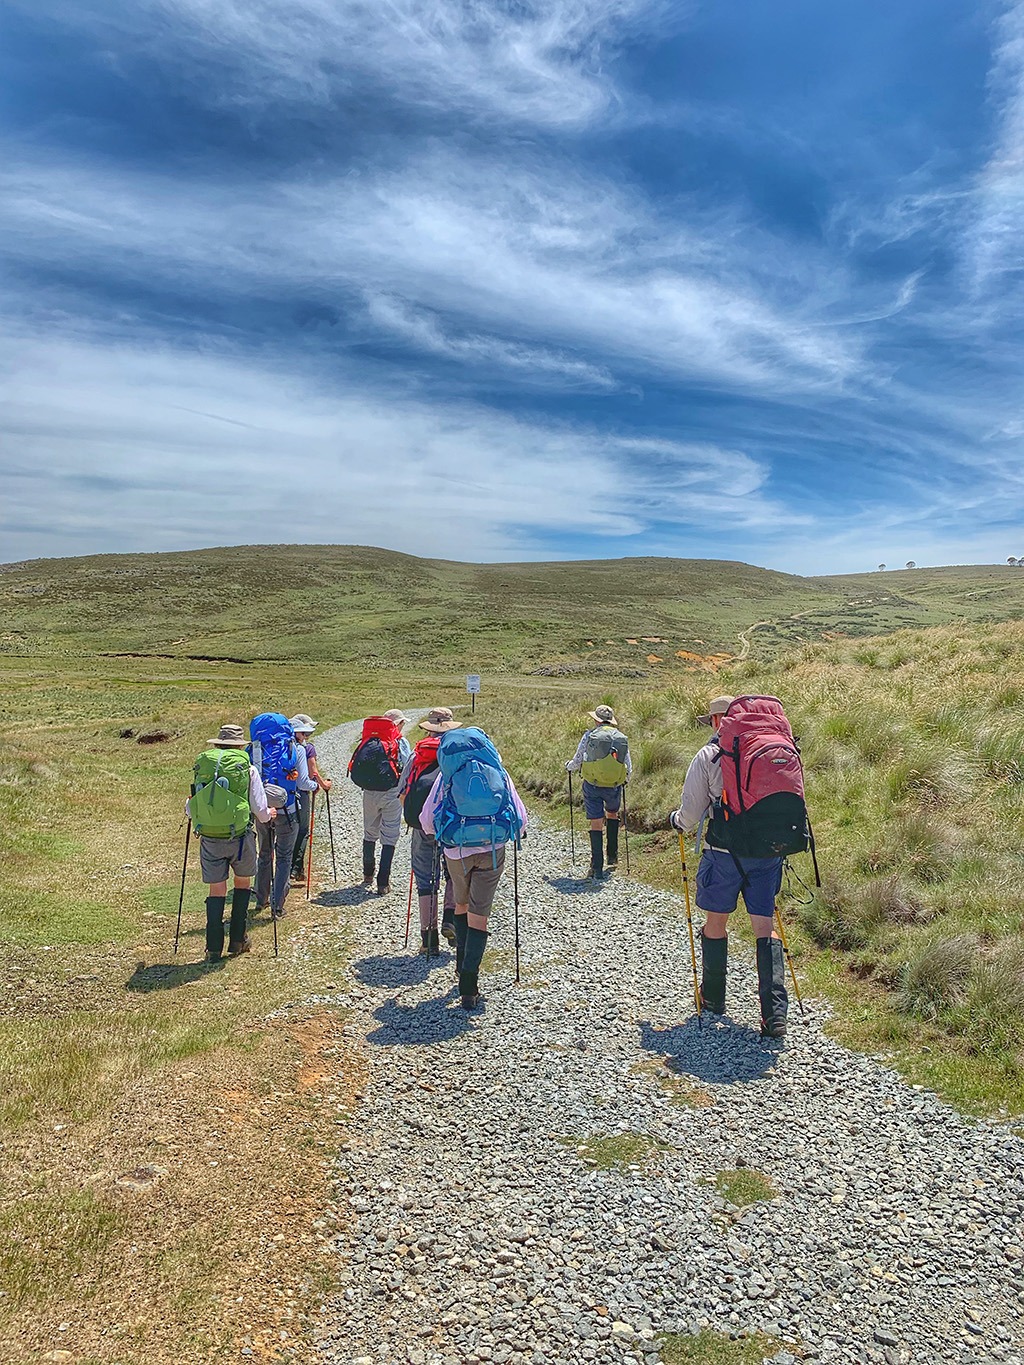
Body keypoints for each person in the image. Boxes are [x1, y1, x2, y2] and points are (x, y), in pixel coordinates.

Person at [669, 695, 788, 1038]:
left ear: (719, 721)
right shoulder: (775, 748)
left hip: (723, 852)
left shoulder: (709, 755)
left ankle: (714, 1000)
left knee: (716, 922)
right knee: (764, 926)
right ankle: (774, 1015)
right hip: (768, 852)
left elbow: (690, 817)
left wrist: (676, 821)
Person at [422, 727, 528, 1009]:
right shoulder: (499, 772)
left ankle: (459, 966)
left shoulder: (447, 777)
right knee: (480, 917)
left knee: (460, 904)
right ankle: (469, 986)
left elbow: (427, 821)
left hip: (456, 851)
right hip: (491, 851)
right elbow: (520, 818)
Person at [187, 723, 276, 962]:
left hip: (210, 837)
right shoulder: (247, 768)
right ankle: (238, 940)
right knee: (243, 884)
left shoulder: (204, 766)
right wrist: (269, 814)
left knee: (216, 888)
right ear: (241, 746)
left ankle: (213, 947)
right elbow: (259, 809)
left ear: (217, 743)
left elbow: (191, 806)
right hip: (239, 836)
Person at [397, 707, 460, 954]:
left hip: (422, 827)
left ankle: (428, 939)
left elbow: (402, 792)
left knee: (425, 879)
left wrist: (417, 817)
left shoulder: (417, 755)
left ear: (428, 728)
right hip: (452, 826)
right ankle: (450, 918)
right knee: (454, 873)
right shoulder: (457, 754)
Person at [250, 712, 317, 921]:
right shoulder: (295, 748)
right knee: (284, 858)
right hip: (287, 810)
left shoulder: (253, 750)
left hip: (262, 810)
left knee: (264, 853)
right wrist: (315, 786)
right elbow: (302, 782)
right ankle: (278, 907)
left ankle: (261, 899)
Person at [565, 703, 632, 879]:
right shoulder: (620, 737)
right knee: (612, 814)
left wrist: (569, 767)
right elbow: (627, 764)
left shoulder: (589, 735)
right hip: (614, 785)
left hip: (592, 784)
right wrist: (625, 779)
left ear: (596, 720)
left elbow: (578, 759)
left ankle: (596, 866)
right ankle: (613, 856)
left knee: (596, 821)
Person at [349, 709, 411, 895]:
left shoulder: (369, 740)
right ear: (397, 724)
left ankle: (368, 873)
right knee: (390, 834)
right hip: (392, 792)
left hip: (369, 792)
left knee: (370, 831)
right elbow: (407, 766)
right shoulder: (400, 742)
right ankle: (383, 882)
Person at [289, 714, 333, 884]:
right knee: (302, 830)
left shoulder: (283, 746)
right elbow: (312, 771)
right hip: (301, 793)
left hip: (282, 794)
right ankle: (295, 868)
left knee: (287, 831)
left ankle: (287, 869)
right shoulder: (306, 748)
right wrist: (321, 785)